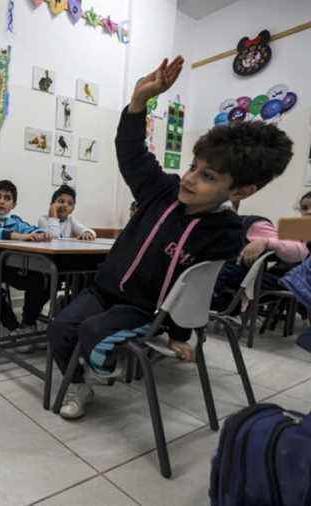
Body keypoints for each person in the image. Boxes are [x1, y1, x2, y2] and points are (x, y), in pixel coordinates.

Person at [47, 56, 294, 420]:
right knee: (60, 328)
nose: (190, 179)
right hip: (102, 290)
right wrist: (138, 103)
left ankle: (102, 366)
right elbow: (132, 155)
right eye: (193, 167)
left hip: (142, 309)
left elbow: (198, 288)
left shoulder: (224, 234)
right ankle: (81, 382)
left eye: (207, 176)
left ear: (241, 190)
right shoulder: (161, 191)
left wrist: (180, 332)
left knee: (92, 333)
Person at [0, 179, 51, 336]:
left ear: (13, 204)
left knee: (42, 280)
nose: (2, 201)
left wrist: (41, 233)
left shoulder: (15, 220)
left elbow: (30, 229)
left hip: (7, 265)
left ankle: (27, 324)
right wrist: (16, 236)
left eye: (7, 198)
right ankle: (12, 326)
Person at [211, 195, 308, 313]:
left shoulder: (257, 225)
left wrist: (266, 241)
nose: (309, 211)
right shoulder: (298, 228)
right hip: (279, 275)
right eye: (304, 208)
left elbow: (299, 252)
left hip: (290, 280)